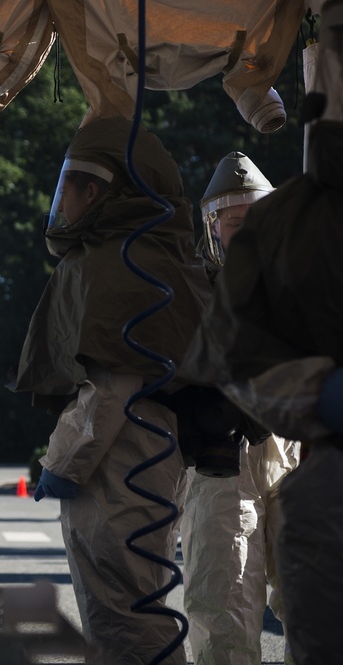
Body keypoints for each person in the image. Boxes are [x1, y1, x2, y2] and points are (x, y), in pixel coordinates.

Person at [9, 117, 211, 664]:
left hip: (124, 459)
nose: (62, 203)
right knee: (121, 615)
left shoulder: (118, 261)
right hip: (136, 452)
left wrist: (62, 463)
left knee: (124, 618)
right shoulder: (143, 253)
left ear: (94, 191)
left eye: (67, 189)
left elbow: (111, 383)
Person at [182, 5, 343, 660]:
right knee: (224, 602)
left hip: (286, 448)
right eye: (228, 216)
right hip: (224, 465)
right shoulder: (197, 284)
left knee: (292, 594)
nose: (238, 226)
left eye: (249, 213)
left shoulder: (293, 261)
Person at [180, 152, 301, 665]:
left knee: (317, 602)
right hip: (221, 469)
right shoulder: (189, 292)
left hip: (295, 459)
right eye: (235, 224)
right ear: (213, 229)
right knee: (224, 607)